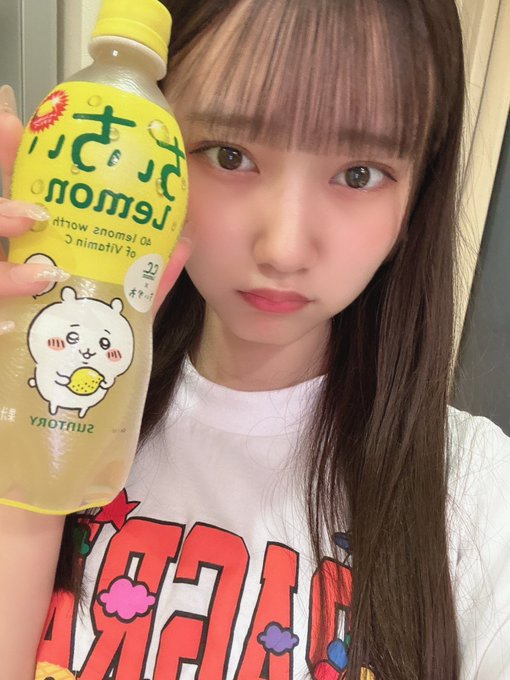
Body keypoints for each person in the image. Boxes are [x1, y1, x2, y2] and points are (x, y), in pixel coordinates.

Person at [0, 0, 509, 678]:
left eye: (359, 174)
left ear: (417, 194)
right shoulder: (47, 395)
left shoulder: (478, 494)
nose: (284, 249)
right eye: (230, 155)